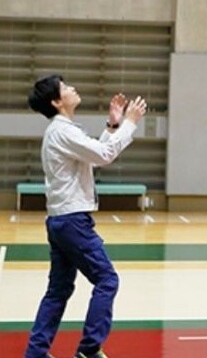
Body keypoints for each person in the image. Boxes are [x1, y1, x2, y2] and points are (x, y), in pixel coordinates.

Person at [24, 75, 146, 358]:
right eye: (65, 88)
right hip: (72, 221)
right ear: (56, 101)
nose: (72, 88)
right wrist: (130, 122)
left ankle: (36, 352)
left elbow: (93, 154)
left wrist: (113, 125)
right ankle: (89, 350)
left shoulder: (62, 130)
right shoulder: (62, 131)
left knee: (58, 290)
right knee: (107, 279)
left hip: (59, 221)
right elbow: (104, 155)